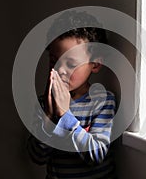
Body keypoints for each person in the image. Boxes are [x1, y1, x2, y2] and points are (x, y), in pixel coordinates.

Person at [27, 11, 117, 179]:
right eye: (54, 60)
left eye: (70, 63)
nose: (60, 69)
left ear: (95, 64)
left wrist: (64, 115)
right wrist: (49, 117)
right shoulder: (45, 103)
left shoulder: (102, 101)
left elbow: (96, 155)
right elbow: (37, 156)